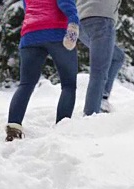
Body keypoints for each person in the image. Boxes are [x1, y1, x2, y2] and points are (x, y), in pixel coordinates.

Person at [5, 0, 80, 141]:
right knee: (69, 84)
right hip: (57, 33)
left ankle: (13, 126)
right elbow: (65, 2)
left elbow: (28, 7)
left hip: (30, 35)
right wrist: (73, 22)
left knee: (26, 84)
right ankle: (62, 128)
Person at [76, 0, 134, 115]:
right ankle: (91, 113)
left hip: (81, 22)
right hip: (101, 20)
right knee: (99, 71)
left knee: (117, 57)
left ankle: (102, 98)